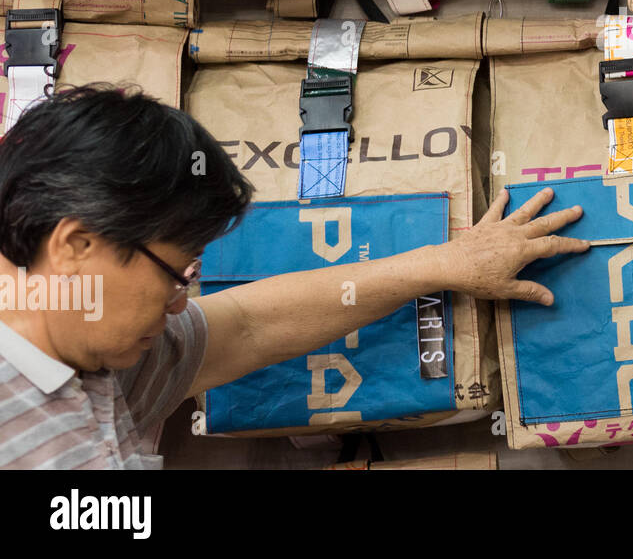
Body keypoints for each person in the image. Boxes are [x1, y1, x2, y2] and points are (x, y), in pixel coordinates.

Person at [0, 86, 587, 469]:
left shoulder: (78, 342)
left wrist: (449, 263)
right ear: (77, 244)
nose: (181, 303)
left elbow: (247, 325)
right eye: (174, 275)